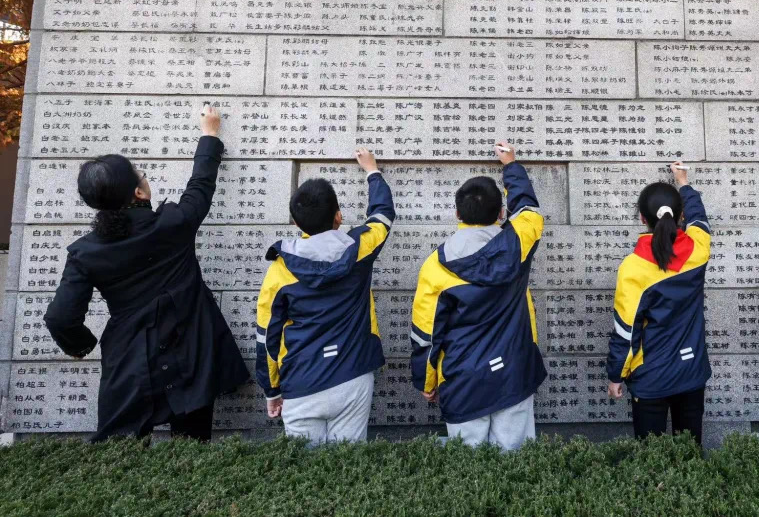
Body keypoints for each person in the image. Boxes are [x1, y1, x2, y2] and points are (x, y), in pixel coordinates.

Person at [44, 106, 249, 442]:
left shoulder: (85, 252)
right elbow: (200, 186)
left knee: (121, 455)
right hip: (191, 355)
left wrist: (81, 345)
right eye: (141, 175)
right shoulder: (173, 223)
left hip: (129, 362)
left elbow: (60, 317)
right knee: (192, 452)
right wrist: (209, 135)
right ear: (139, 193)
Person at [410, 142, 546, 451]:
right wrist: (511, 165)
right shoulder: (517, 243)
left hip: (463, 379)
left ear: (457, 213)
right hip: (513, 372)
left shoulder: (435, 265)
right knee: (517, 464)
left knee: (467, 469)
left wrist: (427, 381)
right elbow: (528, 211)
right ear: (501, 213)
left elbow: (426, 333)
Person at [255, 148, 394, 445]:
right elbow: (382, 216)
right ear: (339, 216)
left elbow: (267, 336)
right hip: (352, 376)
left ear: (296, 223)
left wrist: (272, 390)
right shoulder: (358, 248)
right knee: (350, 464)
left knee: (306, 469)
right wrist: (372, 171)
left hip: (301, 382)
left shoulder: (280, 270)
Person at [605, 162, 712, 445]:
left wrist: (616, 375)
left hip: (651, 377)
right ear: (680, 216)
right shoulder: (698, 250)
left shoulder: (633, 267)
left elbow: (626, 330)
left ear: (642, 218)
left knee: (651, 457)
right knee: (689, 453)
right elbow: (700, 220)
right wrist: (683, 182)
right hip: (691, 372)